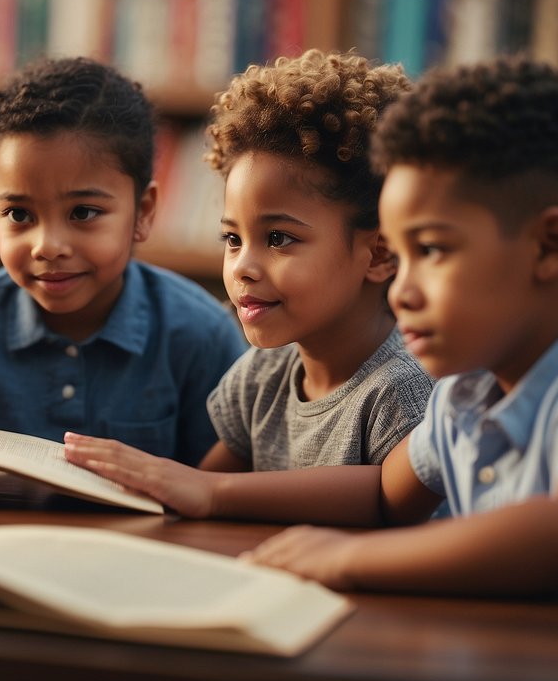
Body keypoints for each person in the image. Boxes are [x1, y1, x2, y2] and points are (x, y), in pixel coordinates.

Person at [97, 57, 558, 599]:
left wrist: (348, 560)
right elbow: (381, 491)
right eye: (401, 253)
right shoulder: (468, 394)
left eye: (432, 250)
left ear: (549, 247)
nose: (402, 287)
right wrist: (211, 491)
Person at [63, 50, 433, 509]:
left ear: (378, 254)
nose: (241, 266)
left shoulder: (406, 387)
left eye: (278, 238)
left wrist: (209, 492)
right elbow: (190, 497)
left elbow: (385, 501)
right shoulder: (264, 374)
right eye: (232, 238)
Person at [0, 56, 247, 463]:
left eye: (82, 213)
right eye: (20, 215)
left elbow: (220, 487)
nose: (48, 245)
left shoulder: (201, 335)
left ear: (144, 212)